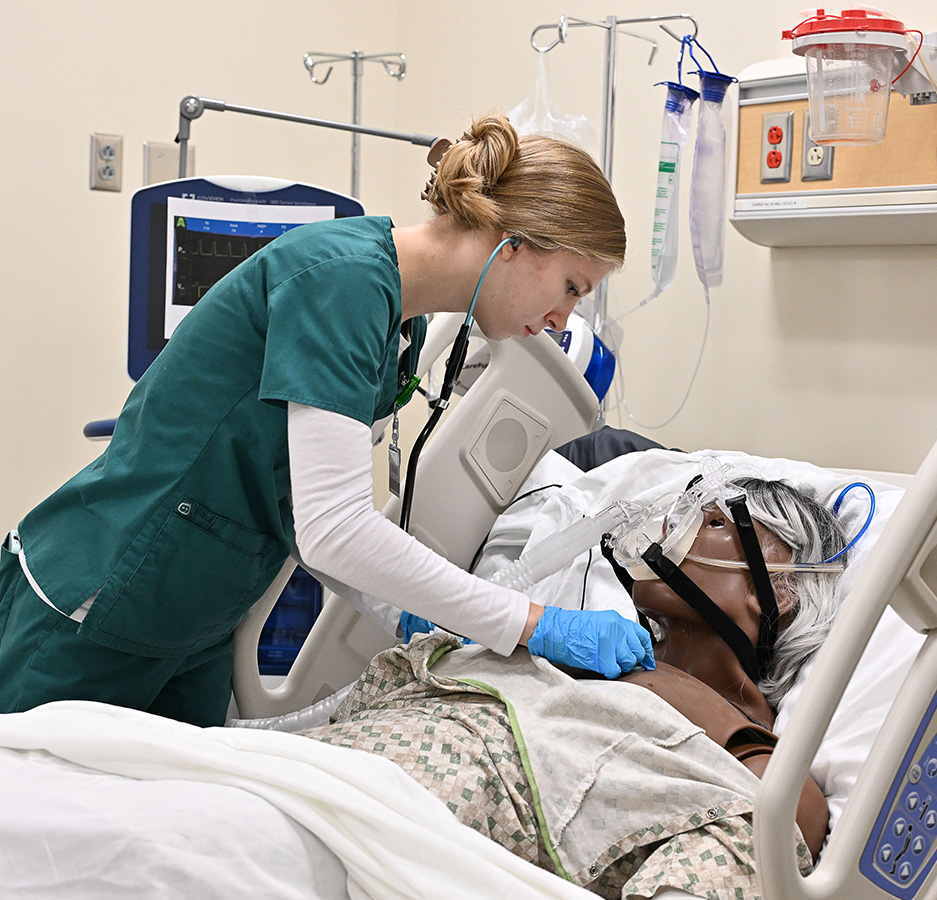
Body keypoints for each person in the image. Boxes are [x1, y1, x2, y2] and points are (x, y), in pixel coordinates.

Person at [0, 114, 653, 729]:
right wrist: (533, 623)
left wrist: (411, 615)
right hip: (102, 601)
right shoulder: (343, 283)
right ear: (513, 245)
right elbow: (335, 529)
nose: (563, 319)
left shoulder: (399, 320)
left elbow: (301, 509)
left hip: (195, 619)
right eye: (571, 286)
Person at [301, 474, 847, 897]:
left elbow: (772, 834)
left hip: (374, 830)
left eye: (713, 522)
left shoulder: (751, 758)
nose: (668, 527)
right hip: (313, 767)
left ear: (780, 592)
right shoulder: (567, 641)